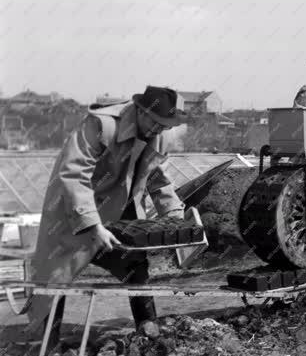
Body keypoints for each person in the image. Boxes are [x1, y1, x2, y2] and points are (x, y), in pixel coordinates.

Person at [27, 86, 188, 340]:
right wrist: (93, 225)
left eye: (165, 126)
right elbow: (73, 174)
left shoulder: (159, 135)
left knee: (135, 264)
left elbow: (158, 178)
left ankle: (148, 331)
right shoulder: (101, 125)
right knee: (57, 273)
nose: (160, 130)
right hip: (74, 211)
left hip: (117, 211)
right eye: (156, 123)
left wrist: (177, 217)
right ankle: (46, 344)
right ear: (140, 111)